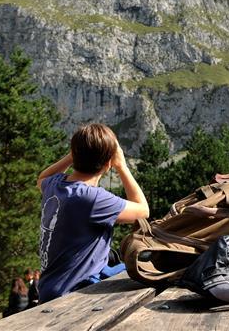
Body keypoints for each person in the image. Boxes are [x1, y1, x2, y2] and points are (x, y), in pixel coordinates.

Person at [36, 123, 149, 303]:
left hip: (49, 288)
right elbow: (143, 210)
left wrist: (71, 157)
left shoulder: (54, 185)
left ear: (74, 154)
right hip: (72, 294)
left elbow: (42, 178)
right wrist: (122, 167)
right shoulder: (92, 198)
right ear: (108, 163)